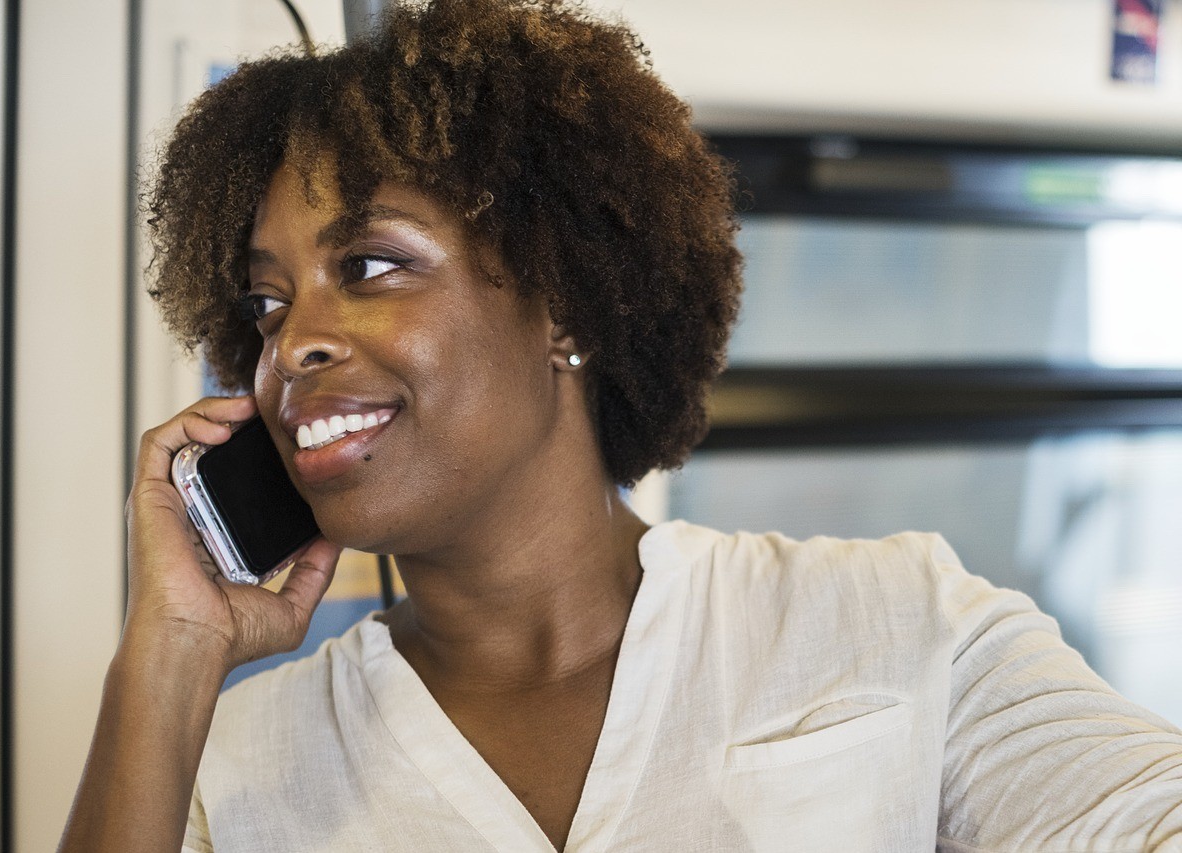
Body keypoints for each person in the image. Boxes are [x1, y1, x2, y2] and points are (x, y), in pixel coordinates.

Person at [60, 1, 1182, 850]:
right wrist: (170, 655)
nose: (290, 343)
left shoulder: (897, 621)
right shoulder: (236, 765)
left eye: (367, 265)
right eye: (265, 302)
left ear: (566, 306)